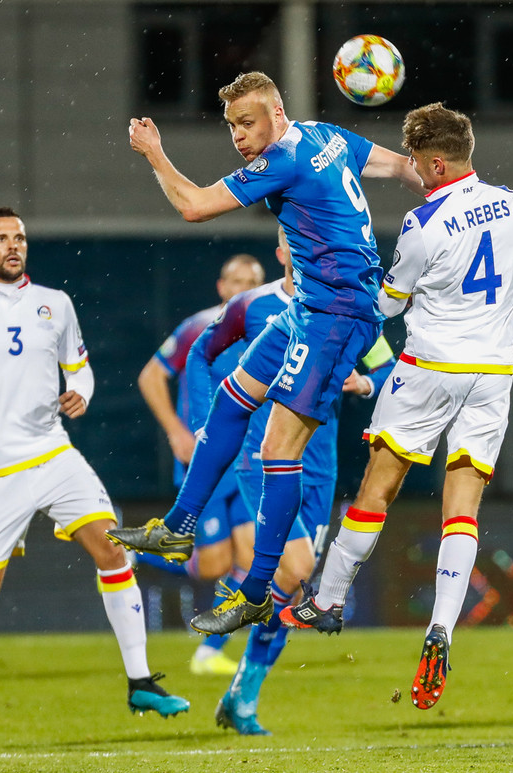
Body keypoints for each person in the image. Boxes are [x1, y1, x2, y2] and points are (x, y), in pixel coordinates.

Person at [280, 102, 513, 711]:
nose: (415, 172)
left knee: (376, 490)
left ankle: (329, 600)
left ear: (438, 163)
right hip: (493, 375)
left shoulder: (423, 225)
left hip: (428, 371)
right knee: (462, 509)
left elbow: (388, 306)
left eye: (418, 163)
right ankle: (442, 626)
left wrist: (344, 299)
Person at [107, 71, 424, 635]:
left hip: (336, 318)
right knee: (231, 400)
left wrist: (154, 153)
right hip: (308, 307)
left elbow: (194, 206)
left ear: (277, 114)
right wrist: (441, 183)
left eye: (247, 123)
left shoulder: (283, 160)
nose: (238, 136)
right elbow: (400, 166)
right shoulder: (325, 135)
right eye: (231, 126)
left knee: (277, 448)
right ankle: (179, 527)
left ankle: (255, 593)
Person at [0, 208, 188, 751]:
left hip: (54, 455)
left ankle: (141, 681)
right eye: (2, 238)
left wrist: (83, 393)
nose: (13, 245)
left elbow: (80, 368)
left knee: (114, 548)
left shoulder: (56, 304)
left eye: (20, 238)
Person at [186, 226, 396, 734]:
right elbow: (201, 354)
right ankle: (226, 636)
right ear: (283, 250)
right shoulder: (254, 306)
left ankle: (242, 695)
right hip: (262, 461)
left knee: (290, 586)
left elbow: (390, 368)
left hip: (319, 470)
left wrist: (365, 382)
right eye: (296, 239)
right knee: (297, 567)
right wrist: (203, 426)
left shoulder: (348, 308)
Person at [137, 253, 264, 676]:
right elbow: (151, 376)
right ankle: (138, 557)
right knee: (212, 565)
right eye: (236, 281)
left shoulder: (270, 329)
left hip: (248, 462)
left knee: (252, 558)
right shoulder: (199, 326)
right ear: (221, 287)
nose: (244, 288)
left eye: (252, 281)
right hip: (206, 462)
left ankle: (210, 651)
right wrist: (176, 431)